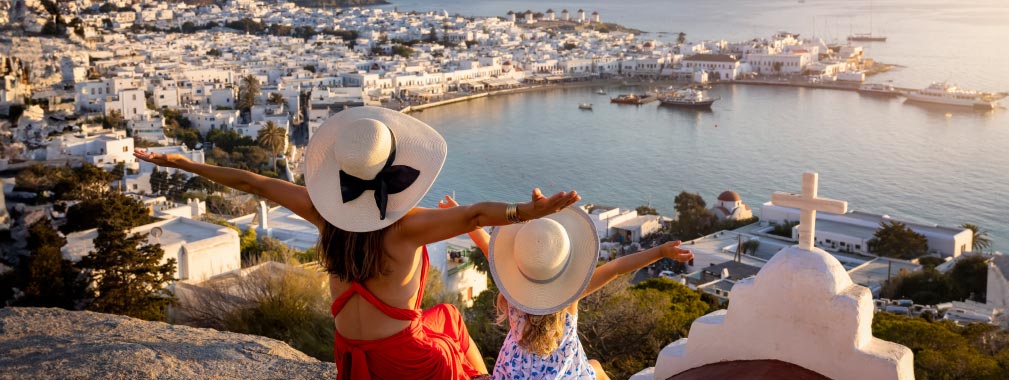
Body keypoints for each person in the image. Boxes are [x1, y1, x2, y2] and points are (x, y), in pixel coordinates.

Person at [135, 106, 581, 380]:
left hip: (351, 354)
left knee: (442, 314)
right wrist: (526, 212)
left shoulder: (322, 212)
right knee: (448, 322)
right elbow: (475, 215)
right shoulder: (407, 225)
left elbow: (254, 183)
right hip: (406, 363)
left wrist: (181, 162)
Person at [437, 196, 693, 380]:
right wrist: (660, 251)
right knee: (595, 367)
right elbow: (617, 268)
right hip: (564, 375)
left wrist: (458, 214)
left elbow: (484, 241)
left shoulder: (513, 294)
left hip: (511, 374)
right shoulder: (570, 296)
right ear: (565, 271)